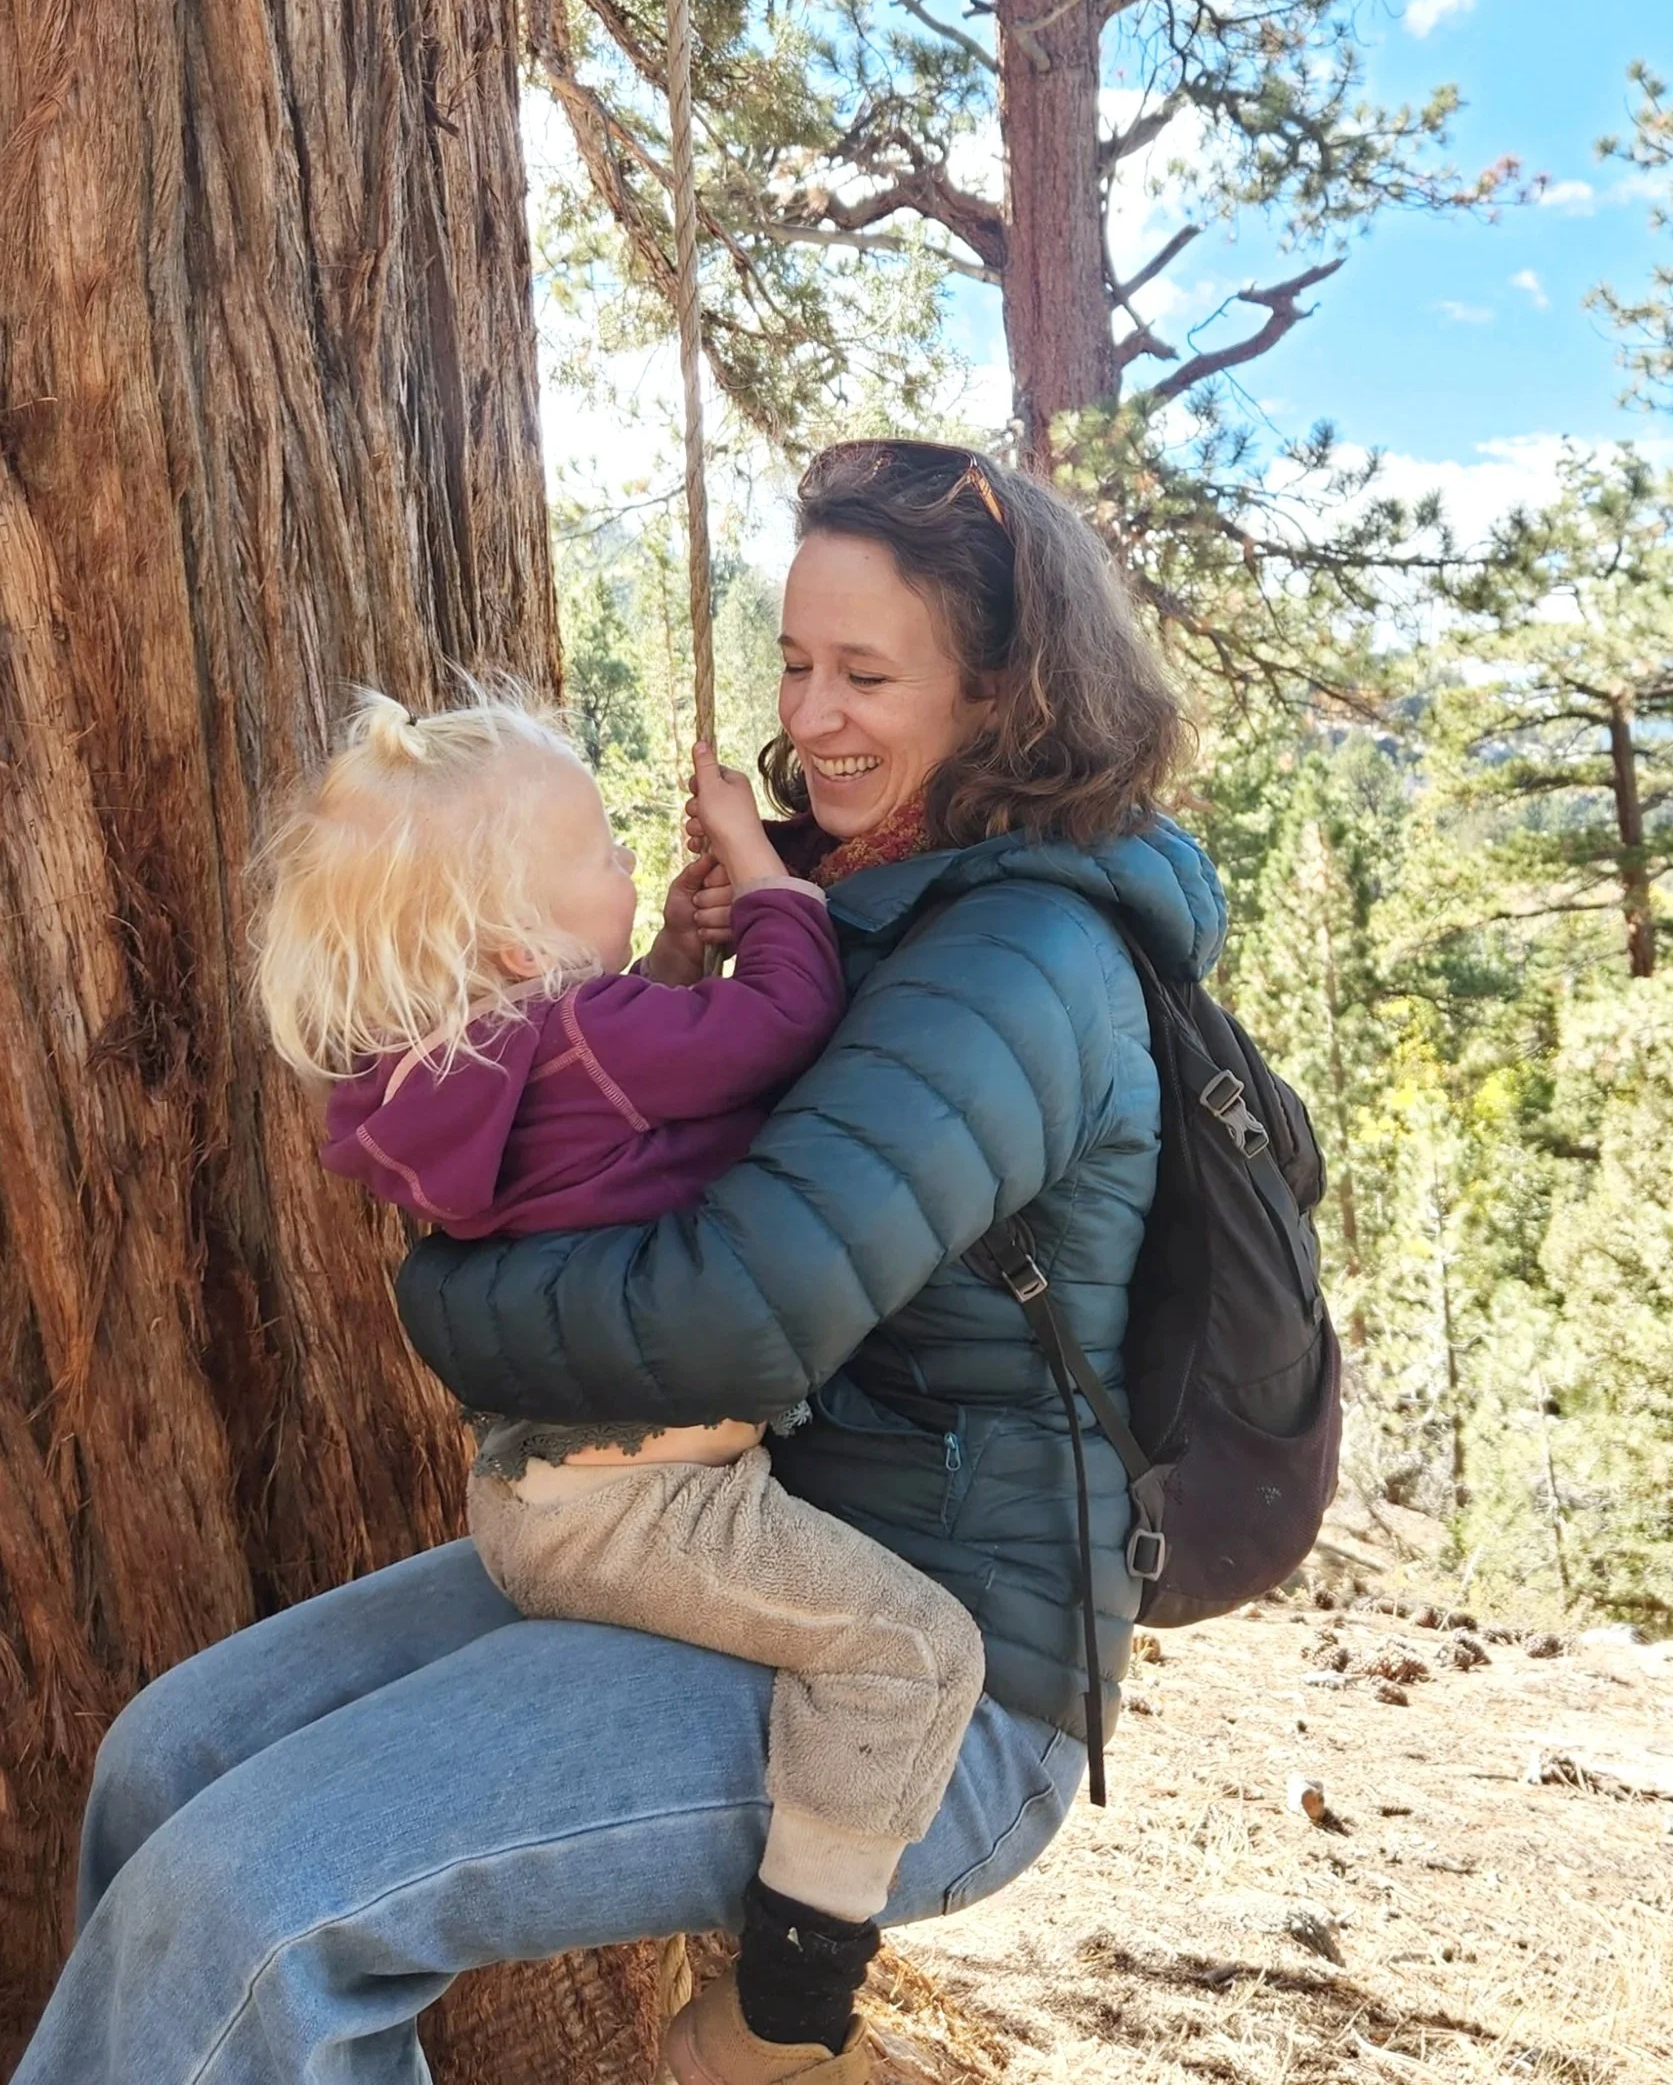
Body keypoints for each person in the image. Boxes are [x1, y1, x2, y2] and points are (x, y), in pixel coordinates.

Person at [16, 440, 1224, 2085]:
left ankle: (786, 2032)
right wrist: (688, 948)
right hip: (726, 1530)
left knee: (249, 1902)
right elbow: (655, 1120)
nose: (811, 716)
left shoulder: (1018, 961)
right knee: (172, 1761)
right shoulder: (861, 894)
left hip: (922, 1674)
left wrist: (437, 1301)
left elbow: (730, 1317)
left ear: (1009, 688)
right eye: (797, 662)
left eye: (867, 673)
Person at [251, 687, 989, 2084]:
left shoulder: (483, 1059)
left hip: (550, 1487)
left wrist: (660, 948)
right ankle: (783, 2015)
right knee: (912, 1648)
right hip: (642, 1501)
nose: (632, 861)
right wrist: (763, 876)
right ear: (527, 940)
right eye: (602, 853)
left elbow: (622, 1088)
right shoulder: (586, 1040)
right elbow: (780, 1024)